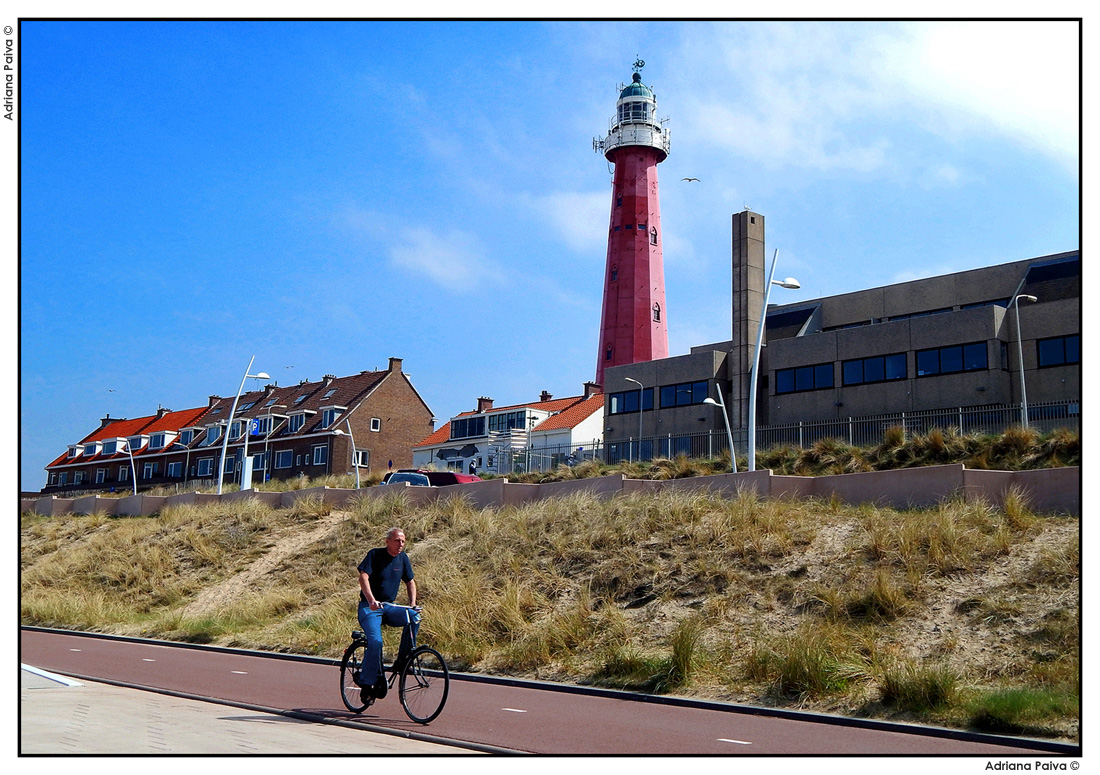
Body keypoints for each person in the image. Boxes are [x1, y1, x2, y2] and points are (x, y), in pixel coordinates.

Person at [356, 527, 420, 698]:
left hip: (390, 606)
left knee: (414, 617)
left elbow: (410, 582)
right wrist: (371, 600)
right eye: (397, 540)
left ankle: (404, 659)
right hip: (370, 607)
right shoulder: (375, 554)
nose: (401, 544)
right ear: (387, 541)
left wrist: (412, 604)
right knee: (376, 642)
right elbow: (363, 577)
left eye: (403, 541)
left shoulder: (403, 558)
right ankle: (366, 681)